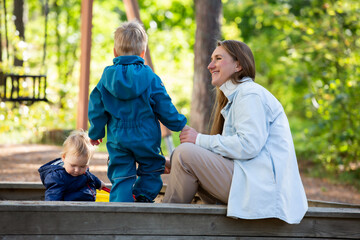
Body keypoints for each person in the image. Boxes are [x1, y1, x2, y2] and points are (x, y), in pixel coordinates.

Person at [163, 40, 308, 224]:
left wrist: (198, 139)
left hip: (263, 191)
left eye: (218, 58)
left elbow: (248, 146)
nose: (210, 65)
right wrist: (174, 161)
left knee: (185, 153)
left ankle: (161, 221)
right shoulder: (239, 96)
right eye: (211, 59)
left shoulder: (250, 94)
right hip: (251, 182)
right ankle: (168, 224)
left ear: (238, 65)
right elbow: (230, 152)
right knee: (182, 156)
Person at [88, 20, 187, 203]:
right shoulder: (150, 77)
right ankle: (143, 196)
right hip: (146, 137)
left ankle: (121, 204)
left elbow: (96, 107)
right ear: (142, 53)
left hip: (119, 138)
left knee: (121, 173)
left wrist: (96, 132)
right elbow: (164, 105)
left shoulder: (106, 78)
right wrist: (180, 124)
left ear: (115, 52)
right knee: (151, 168)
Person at [38, 130, 106, 201]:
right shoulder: (57, 177)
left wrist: (99, 183)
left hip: (85, 206)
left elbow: (89, 177)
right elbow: (53, 197)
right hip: (70, 209)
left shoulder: (83, 172)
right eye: (73, 165)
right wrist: (52, 209)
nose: (77, 170)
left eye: (82, 166)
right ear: (64, 158)